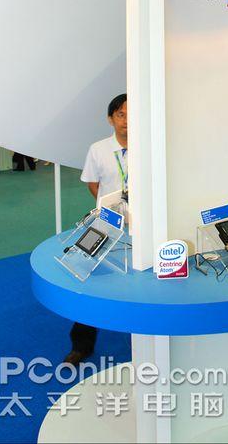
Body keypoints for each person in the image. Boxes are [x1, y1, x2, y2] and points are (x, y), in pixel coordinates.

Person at [63, 93, 128, 366]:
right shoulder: (98, 149)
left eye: (132, 115)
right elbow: (92, 183)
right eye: (121, 114)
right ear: (110, 119)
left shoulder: (150, 146)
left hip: (143, 224)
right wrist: (109, 208)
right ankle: (81, 346)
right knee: (90, 278)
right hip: (107, 222)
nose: (126, 121)